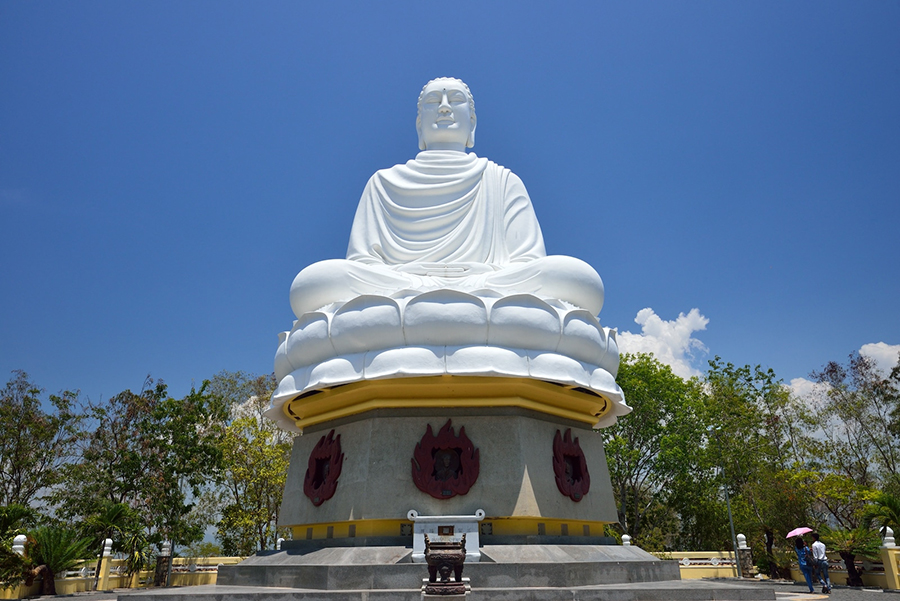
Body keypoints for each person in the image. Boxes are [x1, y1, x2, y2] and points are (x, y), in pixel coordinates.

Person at [289, 77, 605, 319]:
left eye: (455, 100)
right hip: (404, 288)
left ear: (473, 124)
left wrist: (484, 275)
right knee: (314, 284)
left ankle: (429, 305)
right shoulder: (382, 183)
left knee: (574, 278)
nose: (443, 106)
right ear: (419, 126)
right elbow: (362, 263)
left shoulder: (502, 180)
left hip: (483, 287)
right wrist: (410, 278)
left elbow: (529, 263)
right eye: (432, 101)